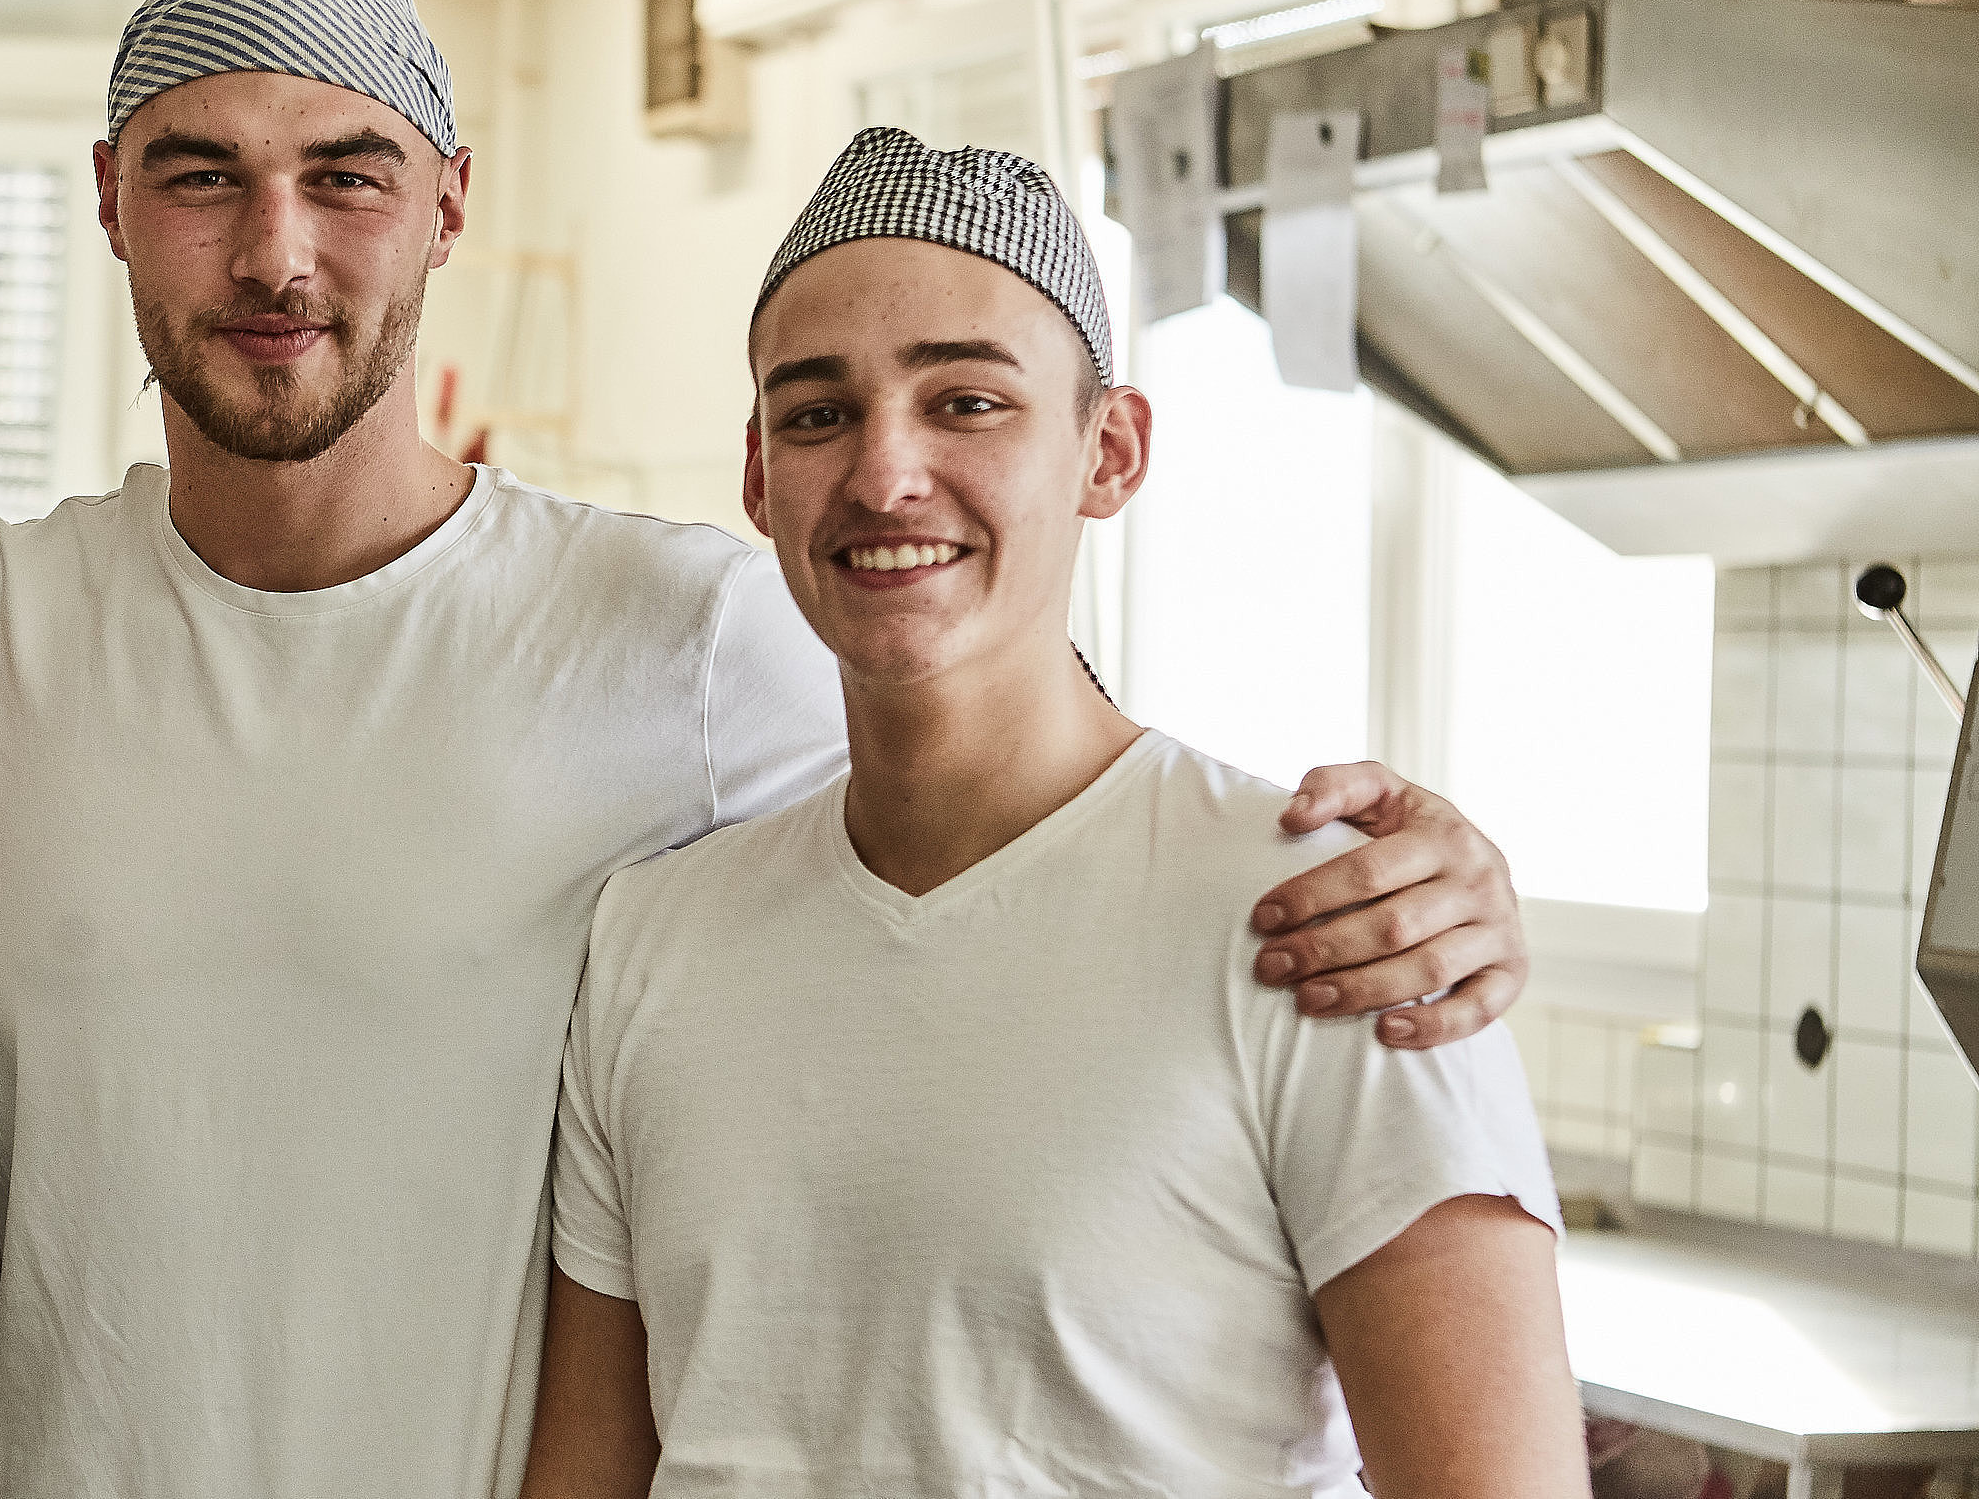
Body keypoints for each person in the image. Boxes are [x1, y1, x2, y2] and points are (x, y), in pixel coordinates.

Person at [0, 0, 1531, 1499]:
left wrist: (1418, 871)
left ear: (446, 205)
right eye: (202, 176)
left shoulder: (675, 641)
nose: (274, 249)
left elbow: (1003, 767)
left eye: (343, 174)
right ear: (107, 206)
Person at [519, 132, 1585, 1499]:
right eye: (817, 412)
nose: (885, 473)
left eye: (965, 401)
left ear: (1111, 447)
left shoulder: (1333, 925)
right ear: (758, 477)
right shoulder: (654, 937)